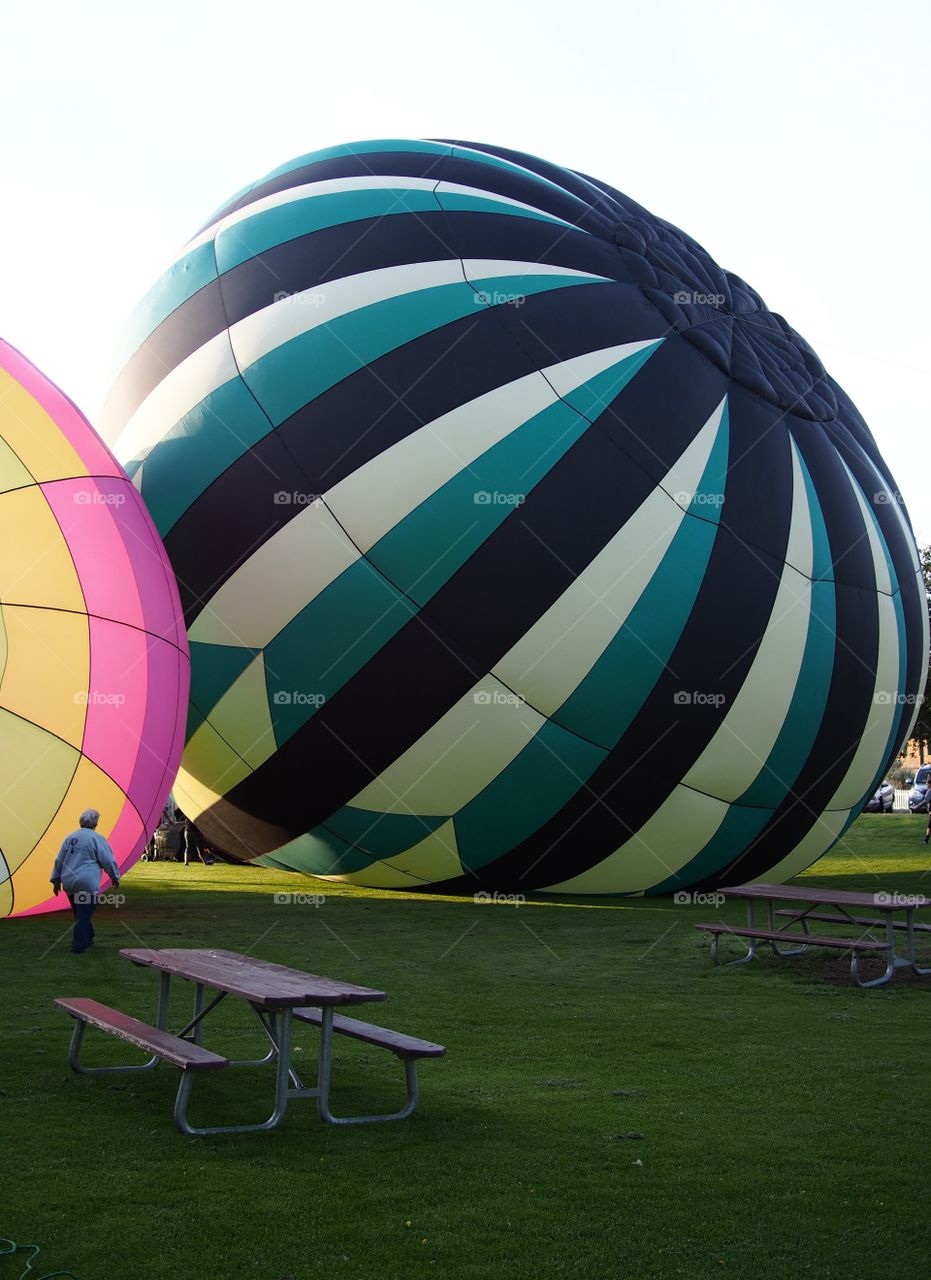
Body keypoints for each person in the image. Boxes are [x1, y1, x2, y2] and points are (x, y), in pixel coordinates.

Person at [50, 810, 120, 954]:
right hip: (87, 882)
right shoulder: (97, 838)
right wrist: (114, 876)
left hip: (69, 881)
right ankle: (78, 946)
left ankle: (88, 937)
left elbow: (59, 860)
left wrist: (56, 880)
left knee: (80, 912)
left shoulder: (70, 837)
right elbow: (107, 859)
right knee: (84, 913)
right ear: (96, 823)